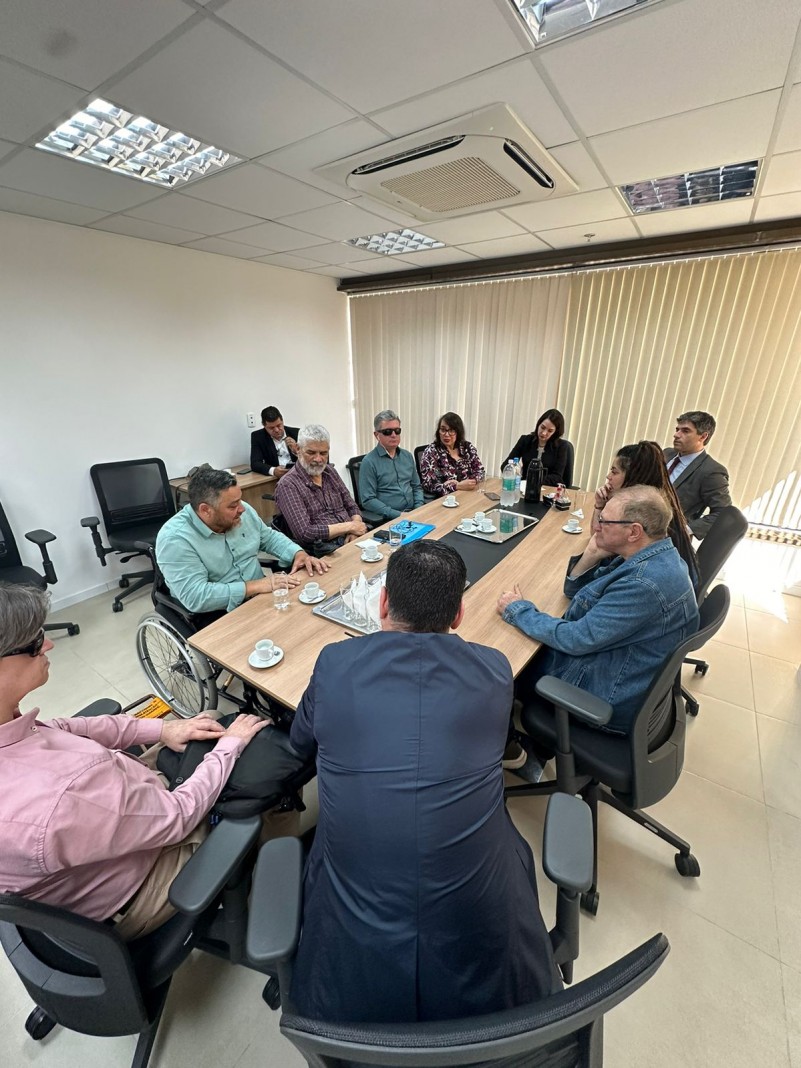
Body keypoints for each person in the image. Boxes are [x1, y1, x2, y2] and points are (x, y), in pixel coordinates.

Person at [289, 541, 560, 1023]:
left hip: (351, 943)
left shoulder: (334, 664)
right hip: (486, 942)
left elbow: (300, 741)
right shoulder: (495, 670)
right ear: (459, 615)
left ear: (383, 603)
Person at [0, 582, 270, 940]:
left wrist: (161, 731)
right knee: (262, 772)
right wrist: (230, 747)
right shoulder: (64, 794)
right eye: (35, 643)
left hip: (115, 814)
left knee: (205, 731)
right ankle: (271, 896)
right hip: (141, 884)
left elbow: (66, 727)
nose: (48, 644)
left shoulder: (10, 726)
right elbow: (178, 816)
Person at [497, 487, 699, 740]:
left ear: (634, 531)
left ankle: (510, 748)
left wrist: (518, 610)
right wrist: (592, 554)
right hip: (620, 667)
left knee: (499, 665)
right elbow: (576, 592)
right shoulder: (655, 555)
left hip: (606, 696)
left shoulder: (643, 584)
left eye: (605, 521)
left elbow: (577, 638)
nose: (597, 525)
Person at [156, 466, 327, 617]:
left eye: (239, 500)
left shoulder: (241, 510)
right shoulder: (175, 540)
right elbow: (197, 597)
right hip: (218, 613)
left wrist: (298, 553)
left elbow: (267, 537)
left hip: (260, 599)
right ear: (205, 510)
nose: (242, 509)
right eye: (232, 506)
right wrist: (256, 586)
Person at [592, 440, 698, 586]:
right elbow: (598, 536)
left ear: (632, 476)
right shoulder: (653, 502)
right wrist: (600, 505)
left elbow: (599, 541)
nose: (608, 476)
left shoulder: (645, 516)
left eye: (614, 471)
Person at [274, 424, 368, 554]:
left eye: (323, 453)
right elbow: (305, 533)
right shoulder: (288, 485)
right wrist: (349, 527)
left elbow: (351, 505)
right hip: (325, 551)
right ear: (297, 449)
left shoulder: (330, 471)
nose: (318, 459)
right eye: (311, 453)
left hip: (353, 538)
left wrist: (355, 527)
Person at [663, 410, 731, 539]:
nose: (676, 435)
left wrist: (686, 530)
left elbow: (722, 512)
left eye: (685, 431)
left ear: (703, 436)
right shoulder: (667, 454)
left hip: (667, 538)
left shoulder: (712, 471)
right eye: (677, 429)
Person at [359, 409, 424, 520]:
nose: (394, 435)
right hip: (389, 519)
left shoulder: (407, 456)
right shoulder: (369, 462)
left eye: (397, 431)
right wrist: (398, 515)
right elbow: (368, 500)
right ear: (376, 435)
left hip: (415, 514)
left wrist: (418, 508)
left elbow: (416, 487)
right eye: (388, 432)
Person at [419, 411, 485, 496]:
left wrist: (470, 482)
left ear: (458, 432)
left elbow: (480, 471)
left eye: (451, 430)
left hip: (469, 495)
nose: (446, 434)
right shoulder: (431, 452)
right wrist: (456, 486)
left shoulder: (467, 448)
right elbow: (428, 484)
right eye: (443, 430)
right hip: (445, 500)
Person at [504, 408, 570, 485]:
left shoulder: (561, 446)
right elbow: (506, 466)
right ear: (538, 424)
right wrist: (515, 472)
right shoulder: (525, 440)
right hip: (524, 488)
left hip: (547, 490)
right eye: (542, 427)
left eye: (550, 431)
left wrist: (534, 480)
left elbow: (557, 477)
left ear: (555, 432)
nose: (544, 433)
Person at [250, 406, 299, 478]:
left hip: (297, 475)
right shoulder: (258, 437)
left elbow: (310, 459)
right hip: (276, 478)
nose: (276, 430)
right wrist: (273, 471)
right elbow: (255, 463)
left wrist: (297, 451)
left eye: (279, 425)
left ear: (282, 421)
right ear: (264, 426)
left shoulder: (296, 433)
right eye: (271, 428)